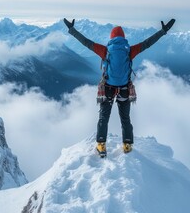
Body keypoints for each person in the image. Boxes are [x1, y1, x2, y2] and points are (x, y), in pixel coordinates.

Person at [63, 18, 175, 157]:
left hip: (108, 88)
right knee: (125, 118)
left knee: (104, 117)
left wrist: (72, 30)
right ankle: (127, 145)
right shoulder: (129, 51)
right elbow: (147, 43)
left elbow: (86, 42)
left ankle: (101, 145)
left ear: (111, 38)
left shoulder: (104, 51)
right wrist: (163, 31)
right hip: (124, 89)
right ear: (123, 38)